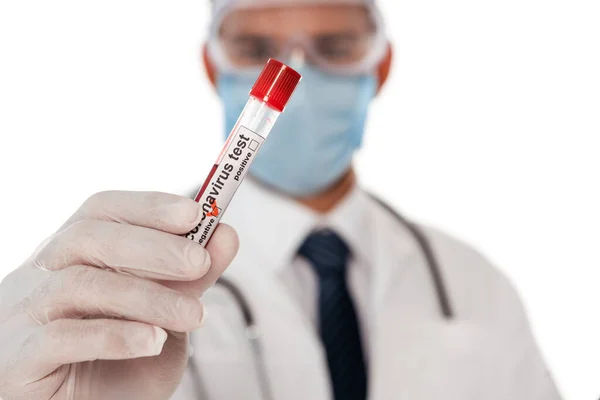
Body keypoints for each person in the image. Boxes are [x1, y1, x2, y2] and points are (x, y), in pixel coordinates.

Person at [0, 0, 562, 399]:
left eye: (336, 46)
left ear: (380, 66)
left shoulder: (474, 286)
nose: (296, 71)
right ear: (213, 64)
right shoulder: (127, 277)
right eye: (255, 46)